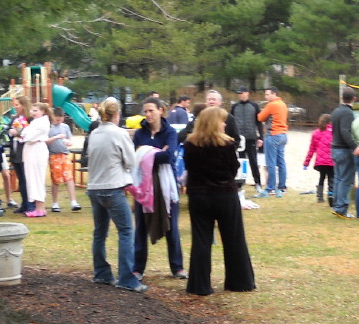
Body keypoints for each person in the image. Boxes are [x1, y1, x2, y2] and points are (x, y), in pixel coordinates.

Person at [182, 106, 255, 296]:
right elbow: (233, 169)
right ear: (214, 123)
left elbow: (189, 167)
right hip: (224, 195)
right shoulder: (227, 145)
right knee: (233, 238)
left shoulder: (190, 144)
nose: (224, 125)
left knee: (201, 240)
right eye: (222, 121)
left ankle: (199, 285)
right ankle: (240, 281)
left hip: (199, 196)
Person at [85, 97, 146, 292]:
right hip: (113, 187)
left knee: (100, 232)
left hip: (94, 187)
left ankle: (101, 272)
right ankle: (127, 277)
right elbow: (131, 162)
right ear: (117, 114)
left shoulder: (94, 133)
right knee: (126, 231)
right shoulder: (119, 133)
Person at [132, 97, 185, 280]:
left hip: (166, 184)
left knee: (171, 226)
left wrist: (146, 152)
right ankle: (137, 268)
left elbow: (169, 157)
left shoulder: (170, 132)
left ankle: (177, 267)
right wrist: (157, 152)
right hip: (144, 184)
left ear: (161, 110)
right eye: (145, 111)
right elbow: (135, 157)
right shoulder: (140, 134)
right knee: (141, 226)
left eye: (151, 111)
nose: (148, 114)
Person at [19, 101, 52, 217]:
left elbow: (28, 136)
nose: (33, 113)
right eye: (32, 110)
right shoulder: (35, 122)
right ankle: (38, 207)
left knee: (37, 178)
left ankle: (40, 208)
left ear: (43, 111)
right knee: (32, 178)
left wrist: (24, 135)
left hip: (37, 151)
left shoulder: (43, 122)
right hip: (31, 151)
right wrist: (24, 134)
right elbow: (24, 133)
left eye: (36, 110)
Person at [255, 88, 289, 198]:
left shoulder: (271, 105)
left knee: (271, 163)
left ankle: (270, 188)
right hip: (283, 134)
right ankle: (282, 187)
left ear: (274, 94)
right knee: (281, 162)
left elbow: (260, 117)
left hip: (273, 135)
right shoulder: (283, 104)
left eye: (267, 94)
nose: (265, 97)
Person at [330, 87, 358, 218]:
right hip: (344, 149)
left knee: (338, 178)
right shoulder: (348, 113)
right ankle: (341, 208)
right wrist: (354, 146)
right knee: (346, 180)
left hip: (335, 148)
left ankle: (336, 205)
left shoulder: (336, 111)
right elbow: (345, 131)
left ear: (342, 97)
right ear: (354, 99)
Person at [47, 107, 81, 212]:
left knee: (69, 177)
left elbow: (69, 139)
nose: (58, 121)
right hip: (54, 155)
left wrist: (68, 142)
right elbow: (46, 141)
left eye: (60, 119)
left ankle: (73, 201)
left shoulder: (65, 127)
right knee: (56, 180)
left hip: (65, 154)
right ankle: (55, 202)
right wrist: (56, 137)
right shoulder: (49, 127)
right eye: (57, 119)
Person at [230, 87, 262, 189]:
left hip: (251, 138)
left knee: (253, 161)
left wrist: (260, 137)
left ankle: (257, 182)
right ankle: (241, 182)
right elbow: (231, 122)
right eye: (239, 93)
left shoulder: (254, 106)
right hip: (239, 139)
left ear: (247, 93)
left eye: (242, 93)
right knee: (241, 161)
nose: (240, 95)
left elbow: (259, 122)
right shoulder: (235, 107)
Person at [5, 94, 31, 214]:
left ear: (24, 105)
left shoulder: (30, 119)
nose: (15, 107)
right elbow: (8, 131)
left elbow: (30, 133)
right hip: (15, 152)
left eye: (18, 105)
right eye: (14, 105)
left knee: (27, 180)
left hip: (25, 152)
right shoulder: (14, 118)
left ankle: (30, 204)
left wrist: (18, 132)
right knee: (21, 180)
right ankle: (24, 203)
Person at [303, 113, 334, 204]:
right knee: (331, 177)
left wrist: (306, 163)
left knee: (322, 177)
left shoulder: (316, 133)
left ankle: (320, 196)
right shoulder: (333, 132)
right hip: (331, 160)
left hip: (320, 161)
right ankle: (331, 194)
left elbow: (311, 149)